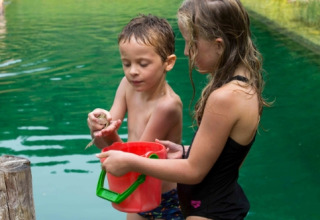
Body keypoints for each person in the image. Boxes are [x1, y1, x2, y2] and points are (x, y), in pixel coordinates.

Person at [97, 0, 270, 219]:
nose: (187, 52)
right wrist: (186, 151)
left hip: (211, 210)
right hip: (215, 205)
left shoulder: (225, 97)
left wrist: (130, 161)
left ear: (219, 45)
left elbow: (194, 172)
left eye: (192, 43)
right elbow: (230, 158)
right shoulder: (244, 87)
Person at [87, 14, 184, 220]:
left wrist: (108, 140)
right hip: (135, 185)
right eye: (126, 63)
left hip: (164, 197)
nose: (133, 72)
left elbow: (138, 157)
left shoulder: (168, 105)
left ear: (168, 62)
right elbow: (106, 141)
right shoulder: (126, 85)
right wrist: (97, 125)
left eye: (143, 64)